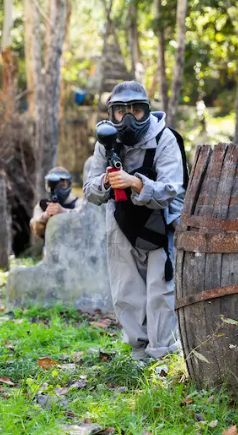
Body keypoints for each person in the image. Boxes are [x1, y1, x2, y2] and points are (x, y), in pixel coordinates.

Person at [83, 81, 186, 360]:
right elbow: (89, 190)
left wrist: (135, 183)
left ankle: (162, 354)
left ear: (147, 111)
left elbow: (172, 189)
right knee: (125, 290)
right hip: (120, 221)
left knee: (159, 291)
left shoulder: (165, 138)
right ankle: (139, 355)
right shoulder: (105, 142)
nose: (128, 118)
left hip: (160, 224)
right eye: (120, 111)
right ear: (111, 113)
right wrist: (106, 180)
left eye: (136, 111)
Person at [30, 166, 83, 239]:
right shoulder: (42, 205)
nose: (57, 189)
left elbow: (84, 220)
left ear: (69, 185)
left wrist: (63, 212)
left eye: (62, 185)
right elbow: (35, 228)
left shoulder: (79, 203)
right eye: (52, 185)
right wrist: (46, 216)